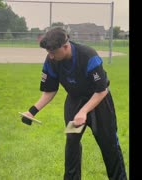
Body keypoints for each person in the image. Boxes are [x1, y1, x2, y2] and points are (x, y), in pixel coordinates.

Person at [21, 27, 127, 180]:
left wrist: (84, 112)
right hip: (75, 100)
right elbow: (49, 90)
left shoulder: (89, 56)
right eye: (48, 53)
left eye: (53, 52)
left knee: (108, 143)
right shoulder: (51, 60)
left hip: (99, 101)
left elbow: (101, 90)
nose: (50, 56)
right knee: (72, 144)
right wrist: (32, 111)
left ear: (65, 46)